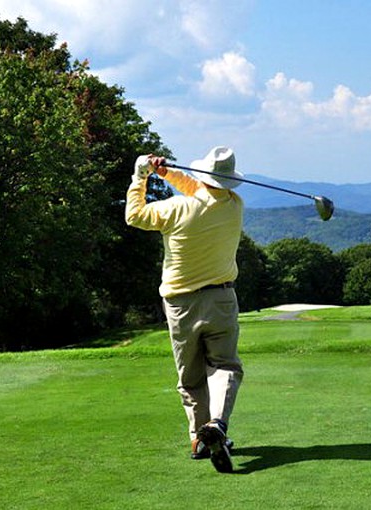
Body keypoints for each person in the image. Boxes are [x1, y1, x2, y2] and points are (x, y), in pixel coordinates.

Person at [124, 146, 245, 474]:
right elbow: (202, 192)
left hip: (180, 304)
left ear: (202, 175)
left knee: (191, 377)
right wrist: (166, 173)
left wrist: (141, 176)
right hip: (221, 299)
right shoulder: (234, 206)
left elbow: (134, 215)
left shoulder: (176, 209)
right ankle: (217, 424)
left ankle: (198, 438)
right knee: (225, 368)